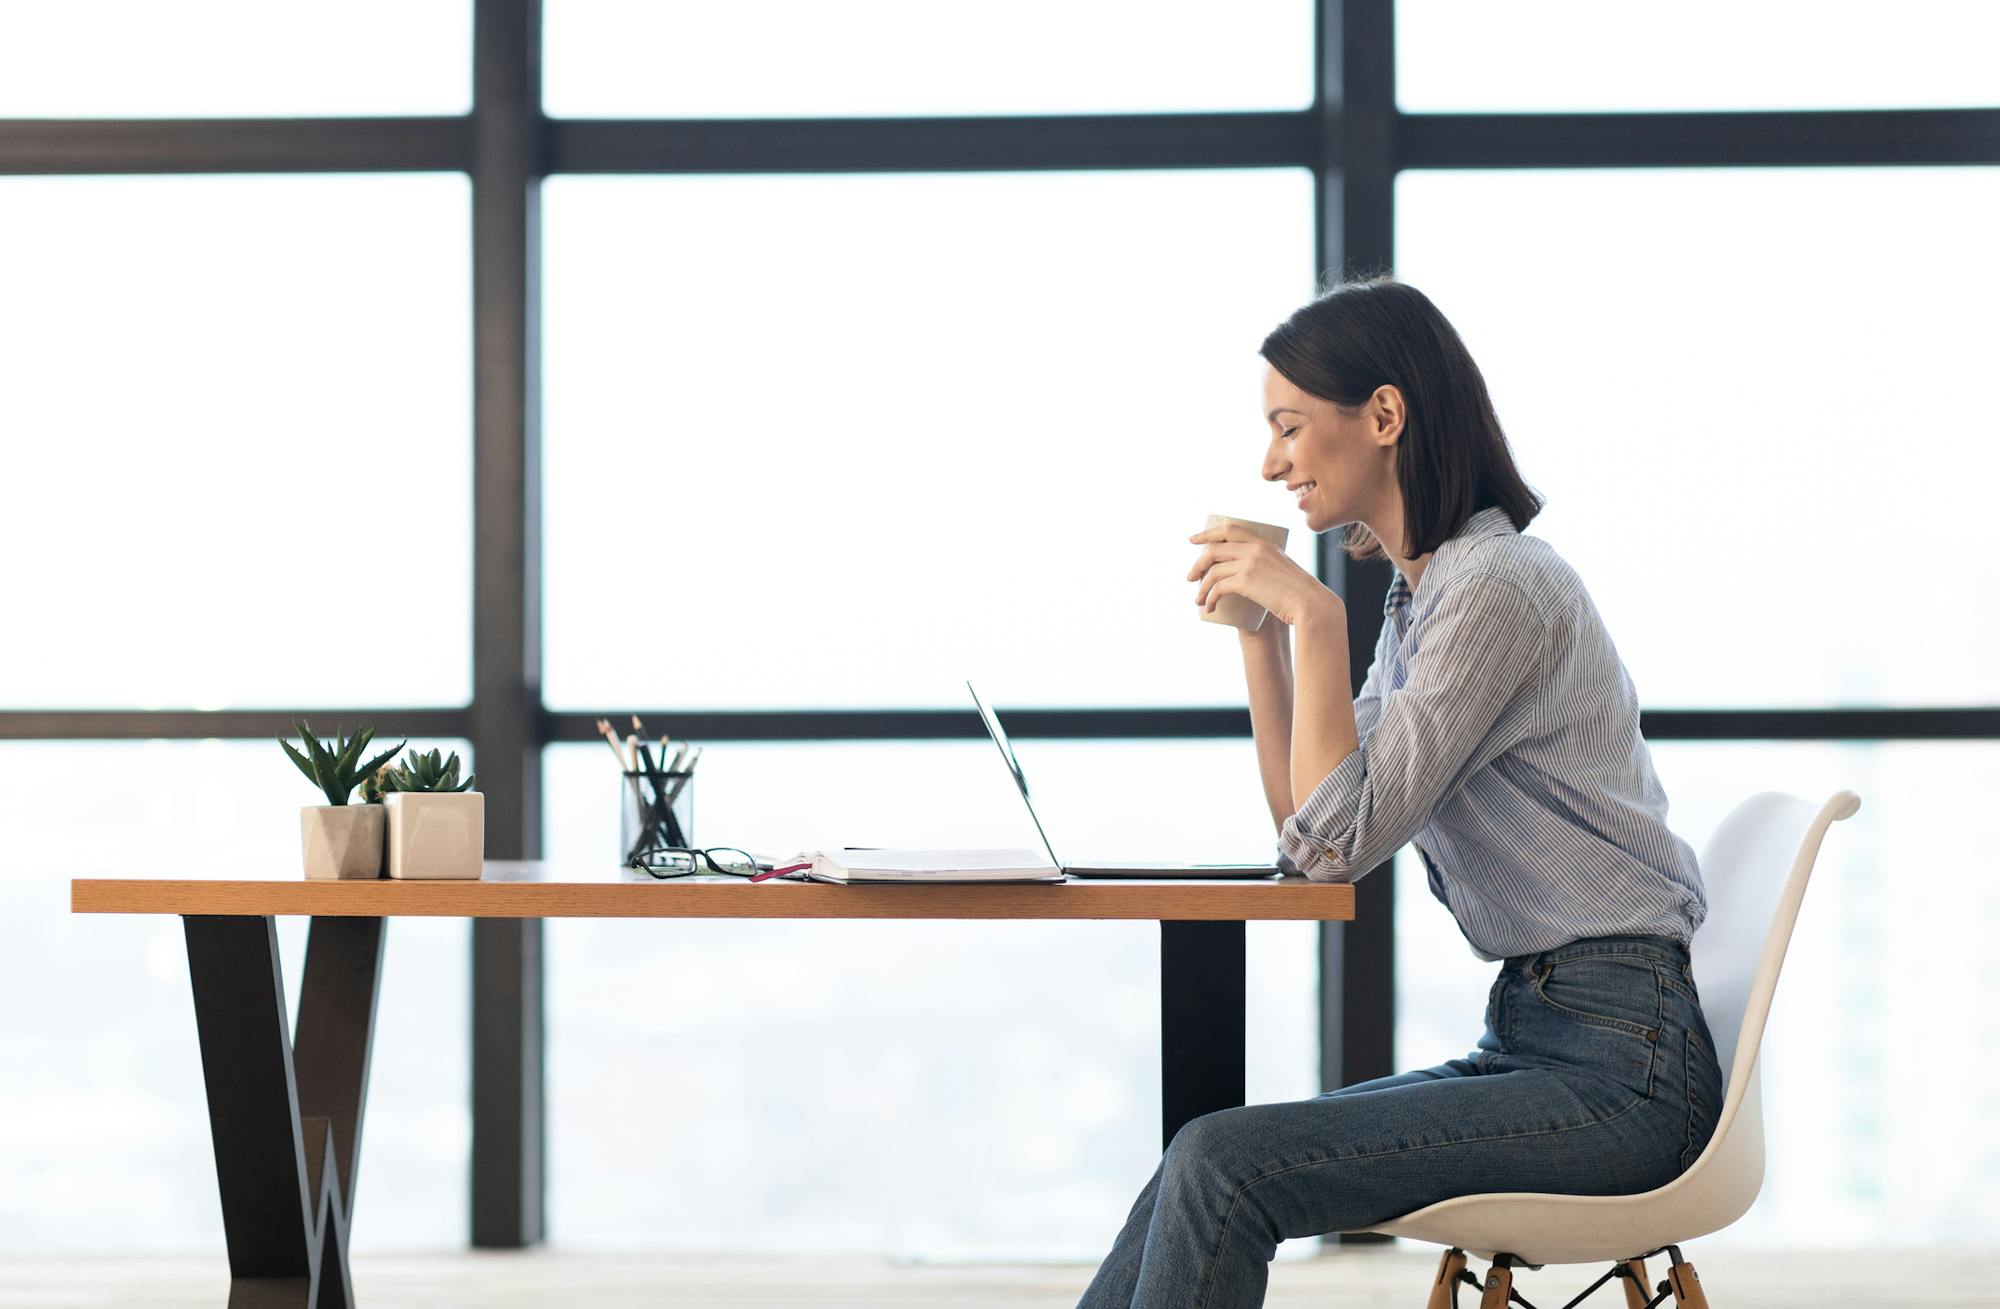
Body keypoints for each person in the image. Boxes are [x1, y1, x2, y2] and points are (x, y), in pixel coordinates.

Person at [1077, 277, 1721, 1309]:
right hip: (1539, 1037)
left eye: (1287, 426)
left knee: (1224, 1165)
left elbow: (1338, 846)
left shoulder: (1495, 587)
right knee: (1201, 1156)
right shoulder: (1426, 598)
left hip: (1624, 1074)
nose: (1269, 462)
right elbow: (1308, 832)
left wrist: (1313, 620)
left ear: (1381, 416)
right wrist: (1262, 637)